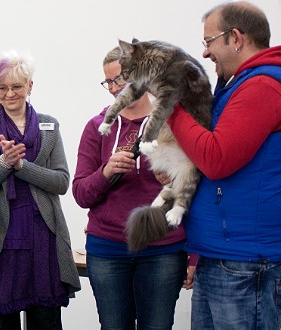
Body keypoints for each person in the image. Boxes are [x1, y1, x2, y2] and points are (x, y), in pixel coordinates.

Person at [167, 2, 281, 329]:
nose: (205, 54)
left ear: (235, 38)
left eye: (209, 42)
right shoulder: (241, 85)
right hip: (225, 255)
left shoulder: (264, 87)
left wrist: (172, 108)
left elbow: (216, 159)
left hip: (248, 261)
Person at [72, 46, 196, 330]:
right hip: (108, 249)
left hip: (163, 249)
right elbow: (80, 193)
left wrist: (196, 253)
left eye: (121, 80)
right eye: (109, 82)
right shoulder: (97, 127)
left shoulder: (174, 123)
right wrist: (105, 173)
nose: (115, 89)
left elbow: (195, 190)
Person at [0, 50, 80, 330]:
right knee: (1, 321)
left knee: (46, 320)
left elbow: (62, 182)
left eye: (16, 86)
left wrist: (21, 166)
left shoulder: (49, 125)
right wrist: (3, 162)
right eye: (2, 88)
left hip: (44, 238)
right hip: (1, 239)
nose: (9, 94)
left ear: (30, 86)